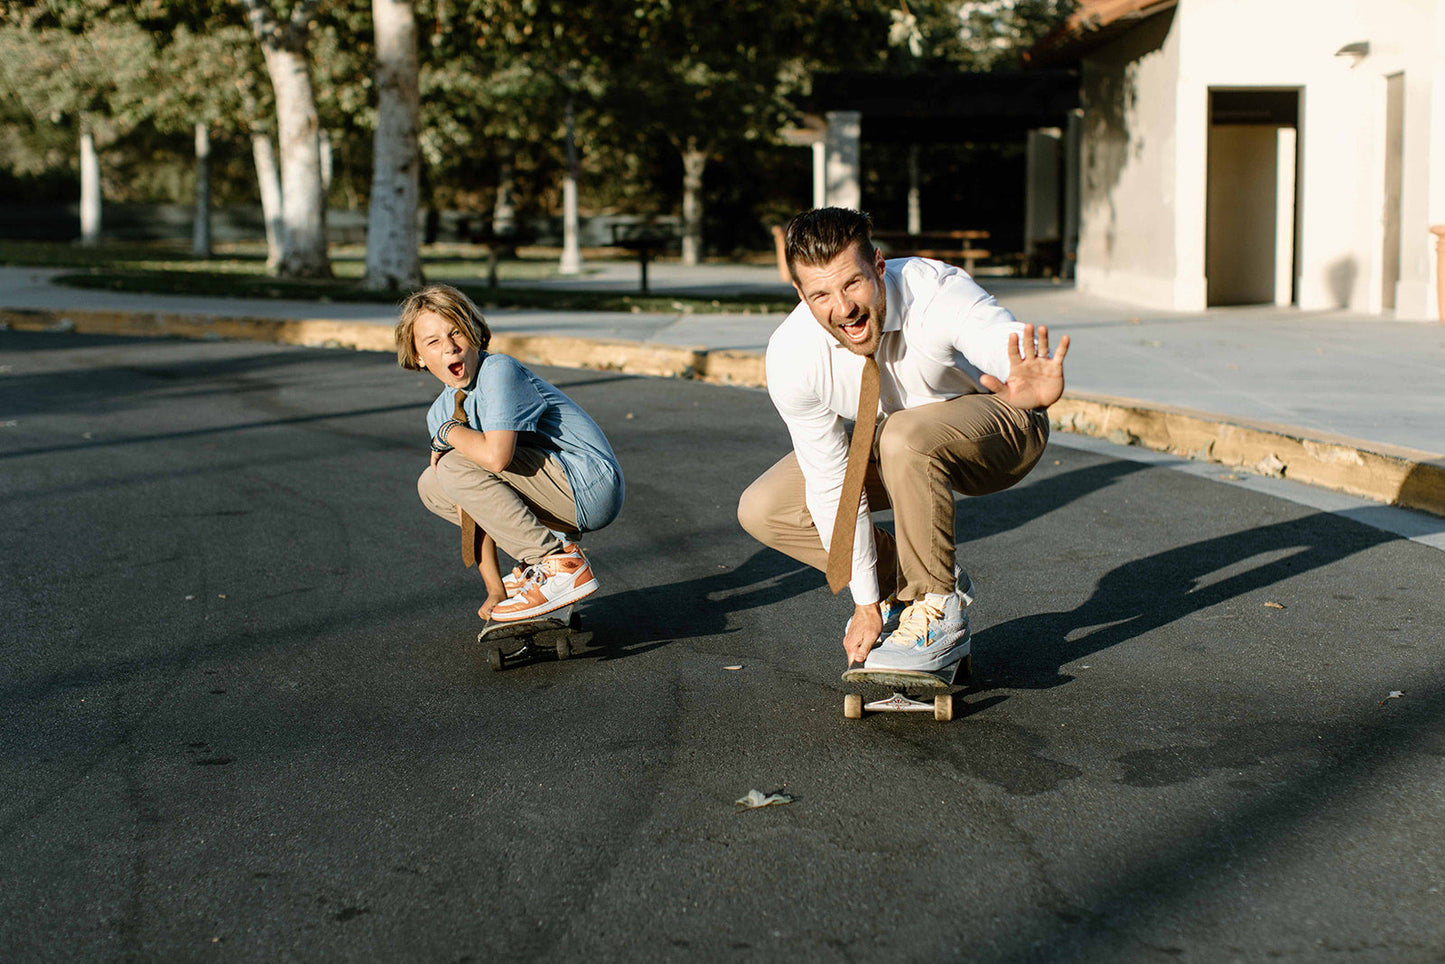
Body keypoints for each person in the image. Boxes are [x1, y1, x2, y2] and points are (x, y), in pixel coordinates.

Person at [738, 208, 1069, 671]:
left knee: (902, 434)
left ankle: (937, 609)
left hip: (1004, 425)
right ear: (800, 294)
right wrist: (867, 602)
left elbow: (989, 328)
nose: (843, 308)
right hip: (899, 445)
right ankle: (911, 582)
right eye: (821, 295)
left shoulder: (932, 290)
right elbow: (832, 482)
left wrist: (1019, 366)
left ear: (878, 264)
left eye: (853, 283)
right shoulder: (794, 353)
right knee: (768, 507)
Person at [396, 284, 624, 622]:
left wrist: (448, 433)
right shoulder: (439, 411)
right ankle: (535, 570)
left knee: (456, 462)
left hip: (589, 484)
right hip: (552, 492)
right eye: (433, 342)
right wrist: (494, 589)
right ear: (418, 356)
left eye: (456, 332)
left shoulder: (499, 371)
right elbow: (472, 502)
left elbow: (497, 458)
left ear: (474, 331)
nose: (449, 347)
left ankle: (557, 565)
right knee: (433, 482)